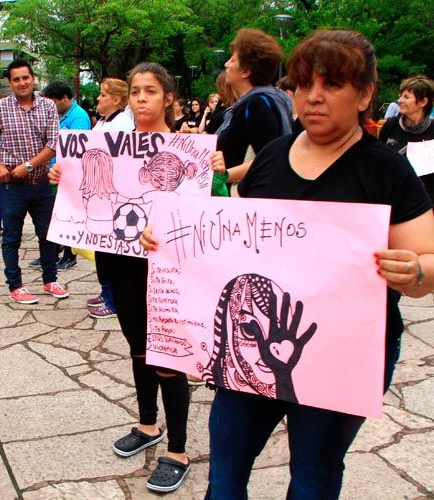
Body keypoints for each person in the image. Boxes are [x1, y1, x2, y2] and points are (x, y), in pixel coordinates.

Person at [143, 29, 434, 499]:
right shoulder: (273, 156)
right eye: (303, 84)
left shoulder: (385, 169)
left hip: (344, 354)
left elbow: (428, 259)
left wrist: (416, 271)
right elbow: (229, 230)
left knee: (314, 476)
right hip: (252, 346)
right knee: (226, 465)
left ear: (364, 95)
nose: (314, 97)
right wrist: (173, 240)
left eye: (333, 84)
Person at [51, 62, 225, 494]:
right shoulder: (109, 144)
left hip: (169, 269)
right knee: (138, 350)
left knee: (169, 355)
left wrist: (217, 174)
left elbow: (216, 209)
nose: (140, 98)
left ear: (168, 98)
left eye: (150, 91)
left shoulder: (192, 149)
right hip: (121, 262)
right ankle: (148, 425)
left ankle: (178, 450)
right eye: (134, 91)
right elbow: (90, 194)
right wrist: (63, 177)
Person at [0, 59, 69, 305]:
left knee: (49, 235)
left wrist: (28, 166)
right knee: (11, 238)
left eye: (25, 78)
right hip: (11, 186)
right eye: (16, 79)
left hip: (41, 184)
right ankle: (15, 285)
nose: (21, 83)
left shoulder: (48, 106)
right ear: (10, 83)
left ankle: (50, 279)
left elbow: (53, 143)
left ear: (33, 78)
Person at [81, 77, 136, 319]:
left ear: (115, 99)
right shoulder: (102, 123)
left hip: (113, 196)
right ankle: (106, 290)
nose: (98, 99)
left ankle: (115, 300)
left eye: (103, 95)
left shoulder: (122, 124)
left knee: (111, 254)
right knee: (101, 251)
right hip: (98, 193)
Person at [217, 29, 294, 186]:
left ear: (245, 71)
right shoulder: (265, 100)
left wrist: (224, 176)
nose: (226, 64)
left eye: (232, 60)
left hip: (245, 199)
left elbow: (269, 160)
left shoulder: (257, 105)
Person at [41, 80, 92, 271]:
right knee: (55, 216)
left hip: (70, 176)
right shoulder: (60, 116)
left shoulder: (78, 117)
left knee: (68, 217)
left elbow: (76, 149)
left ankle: (70, 255)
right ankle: (52, 254)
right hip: (56, 174)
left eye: (53, 101)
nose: (50, 107)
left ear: (64, 98)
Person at [379, 75, 434, 203]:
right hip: (393, 196)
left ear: (423, 102)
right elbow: (379, 158)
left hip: (426, 200)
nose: (399, 100)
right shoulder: (390, 125)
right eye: (401, 95)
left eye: (406, 97)